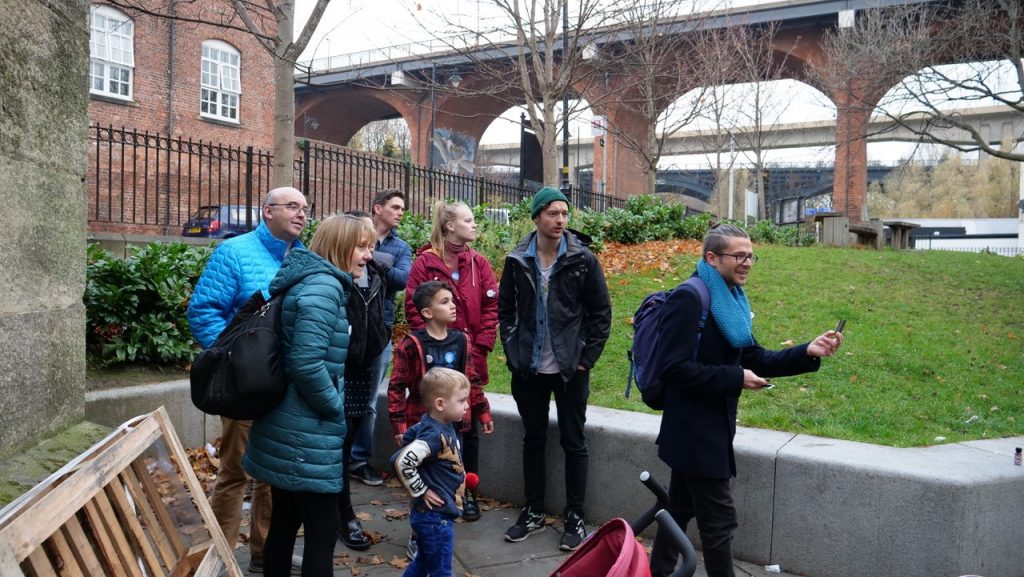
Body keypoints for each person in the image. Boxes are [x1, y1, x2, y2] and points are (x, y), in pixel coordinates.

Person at [648, 223, 844, 577]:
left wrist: (807, 351)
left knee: (678, 510)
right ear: (712, 258)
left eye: (751, 256)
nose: (748, 263)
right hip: (693, 432)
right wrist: (735, 378)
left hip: (710, 429)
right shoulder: (690, 297)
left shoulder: (731, 300)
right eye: (739, 256)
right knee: (719, 521)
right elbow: (673, 368)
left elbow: (754, 356)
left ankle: (657, 573)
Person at [242, 214, 375, 577]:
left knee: (285, 520)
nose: (368, 255)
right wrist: (333, 407)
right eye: (361, 247)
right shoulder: (324, 288)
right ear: (340, 246)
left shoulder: (311, 280)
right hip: (305, 429)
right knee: (323, 528)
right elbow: (305, 364)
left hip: (288, 423)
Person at [187, 186, 308, 573]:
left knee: (273, 473)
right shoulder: (234, 252)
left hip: (284, 387)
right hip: (243, 386)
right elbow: (204, 311)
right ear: (267, 211)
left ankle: (265, 553)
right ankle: (219, 557)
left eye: (305, 208)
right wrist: (234, 361)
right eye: (292, 206)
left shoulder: (303, 257)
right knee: (235, 471)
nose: (301, 214)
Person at [498, 187, 612, 552]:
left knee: (573, 441)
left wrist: (585, 359)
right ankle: (533, 511)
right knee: (533, 439)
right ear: (536, 218)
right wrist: (514, 351)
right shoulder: (517, 259)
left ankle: (574, 516)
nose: (560, 220)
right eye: (552, 213)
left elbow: (601, 314)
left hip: (570, 369)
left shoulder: (583, 259)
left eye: (564, 213)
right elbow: (505, 310)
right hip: (529, 368)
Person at [403, 201, 498, 521]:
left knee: (467, 429)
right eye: (468, 220)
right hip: (434, 360)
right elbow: (414, 306)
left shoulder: (479, 263)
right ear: (449, 226)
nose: (474, 225)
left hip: (468, 356)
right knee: (434, 428)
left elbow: (491, 307)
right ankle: (434, 492)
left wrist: (480, 347)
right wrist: (431, 339)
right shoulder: (425, 262)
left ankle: (467, 493)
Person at [348, 189, 413, 487]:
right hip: (348, 324)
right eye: (395, 207)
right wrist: (382, 262)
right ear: (378, 208)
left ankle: (359, 460)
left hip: (379, 328)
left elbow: (402, 279)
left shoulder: (401, 247)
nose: (400, 213)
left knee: (370, 398)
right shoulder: (351, 228)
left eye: (402, 209)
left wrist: (371, 257)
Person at [337, 211, 389, 551]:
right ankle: (342, 515)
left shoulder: (376, 273)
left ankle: (341, 512)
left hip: (362, 369)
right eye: (362, 246)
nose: (370, 254)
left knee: (349, 438)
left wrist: (379, 339)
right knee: (337, 448)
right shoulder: (328, 282)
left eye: (371, 246)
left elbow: (378, 314)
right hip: (336, 373)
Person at [390, 367, 472, 577]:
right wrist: (421, 490)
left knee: (423, 564)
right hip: (436, 518)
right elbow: (401, 461)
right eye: (462, 400)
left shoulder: (434, 424)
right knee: (440, 571)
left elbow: (408, 440)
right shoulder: (434, 434)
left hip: (430, 517)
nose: (467, 405)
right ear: (440, 404)